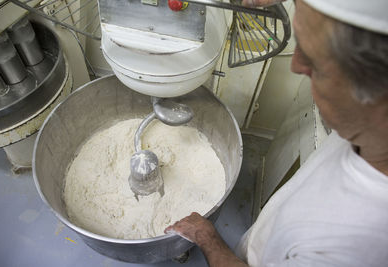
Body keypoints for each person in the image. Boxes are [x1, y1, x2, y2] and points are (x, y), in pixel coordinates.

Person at [165, 0, 388, 266]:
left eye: (316, 66)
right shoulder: (367, 134)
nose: (295, 66)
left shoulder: (346, 248)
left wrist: (207, 237)